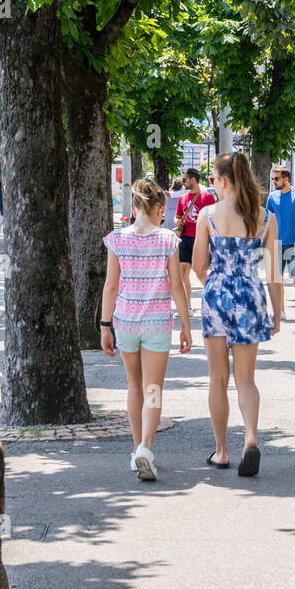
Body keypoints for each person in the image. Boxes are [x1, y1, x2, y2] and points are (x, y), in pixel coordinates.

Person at [193, 152, 283, 477]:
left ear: (224, 180)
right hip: (252, 295)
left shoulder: (208, 214)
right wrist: (278, 312)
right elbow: (274, 272)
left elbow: (198, 266)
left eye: (214, 180)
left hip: (217, 295)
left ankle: (221, 451)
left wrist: (216, 284)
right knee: (246, 379)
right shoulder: (265, 217)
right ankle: (251, 438)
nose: (213, 186)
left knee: (217, 378)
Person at [101, 179, 193, 481]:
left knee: (134, 385)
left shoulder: (117, 239)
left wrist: (105, 326)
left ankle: (135, 449)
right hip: (157, 322)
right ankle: (146, 448)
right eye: (161, 211)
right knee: (153, 388)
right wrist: (185, 324)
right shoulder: (168, 240)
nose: (163, 216)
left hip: (125, 321)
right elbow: (176, 285)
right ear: (154, 209)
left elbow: (111, 286)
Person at [268, 166, 295, 310]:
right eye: (273, 178)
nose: (274, 181)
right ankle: (280, 311)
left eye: (276, 178)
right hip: (277, 244)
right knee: (277, 279)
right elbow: (269, 220)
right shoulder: (272, 197)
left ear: (286, 179)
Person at [175, 168, 217, 313]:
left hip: (201, 238)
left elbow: (214, 219)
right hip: (185, 237)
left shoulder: (207, 198)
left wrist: (212, 243)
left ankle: (212, 298)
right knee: (182, 271)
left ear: (193, 180)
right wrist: (177, 222)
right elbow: (178, 216)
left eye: (185, 179)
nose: (183, 182)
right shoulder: (183, 198)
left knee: (200, 273)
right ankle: (187, 307)